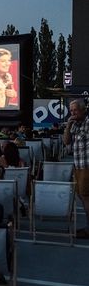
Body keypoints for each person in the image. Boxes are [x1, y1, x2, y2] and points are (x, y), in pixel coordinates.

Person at [63, 99, 89, 238]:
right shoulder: (73, 124)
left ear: (83, 110)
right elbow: (66, 142)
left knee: (86, 197)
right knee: (82, 196)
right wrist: (68, 126)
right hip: (78, 166)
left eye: (75, 110)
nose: (72, 113)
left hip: (87, 166)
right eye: (71, 110)